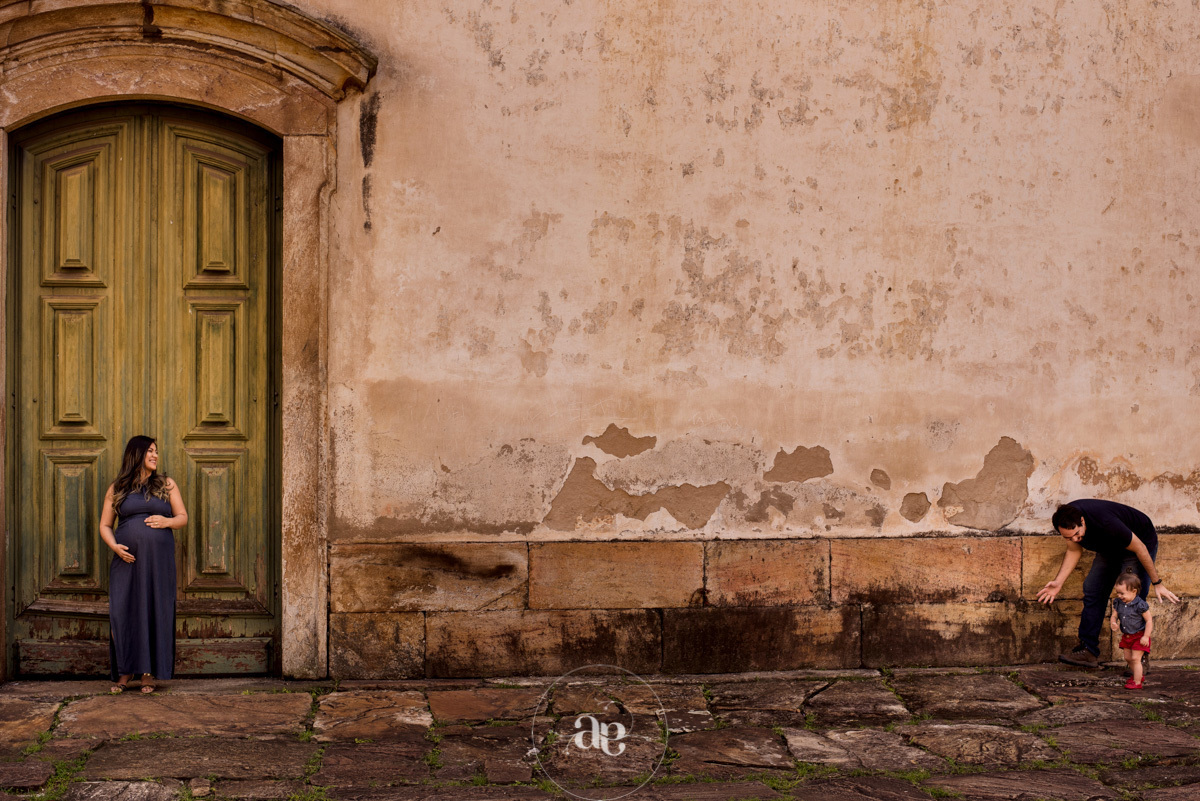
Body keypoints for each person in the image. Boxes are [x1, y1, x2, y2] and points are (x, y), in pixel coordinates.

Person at [1037, 499, 1179, 668]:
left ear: (1082, 521)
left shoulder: (1105, 521)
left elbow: (1140, 548)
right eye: (1069, 537)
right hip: (1109, 546)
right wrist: (1058, 583)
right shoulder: (1067, 520)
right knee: (1092, 589)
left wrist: (1157, 582)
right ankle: (1088, 651)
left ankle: (1138, 658)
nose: (1075, 539)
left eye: (1077, 534)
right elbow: (1074, 550)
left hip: (1138, 544)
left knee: (1132, 598)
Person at [99, 436, 188, 693]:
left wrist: (166, 522)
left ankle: (148, 673)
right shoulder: (118, 487)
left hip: (158, 563)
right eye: (150, 451)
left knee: (154, 610)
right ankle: (125, 672)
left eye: (156, 452)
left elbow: (182, 517)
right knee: (123, 612)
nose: (155, 455)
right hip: (127, 561)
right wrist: (115, 546)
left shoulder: (166, 484)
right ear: (136, 454)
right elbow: (104, 525)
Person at [1110, 573, 1153, 690]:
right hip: (1127, 636)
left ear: (1134, 591)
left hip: (1139, 636)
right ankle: (1138, 676)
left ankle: (1137, 682)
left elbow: (1149, 621)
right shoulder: (1118, 603)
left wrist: (1146, 636)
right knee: (1128, 658)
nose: (1119, 596)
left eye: (1122, 593)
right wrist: (1113, 622)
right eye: (1117, 593)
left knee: (1135, 658)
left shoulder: (1140, 605)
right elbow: (1114, 615)